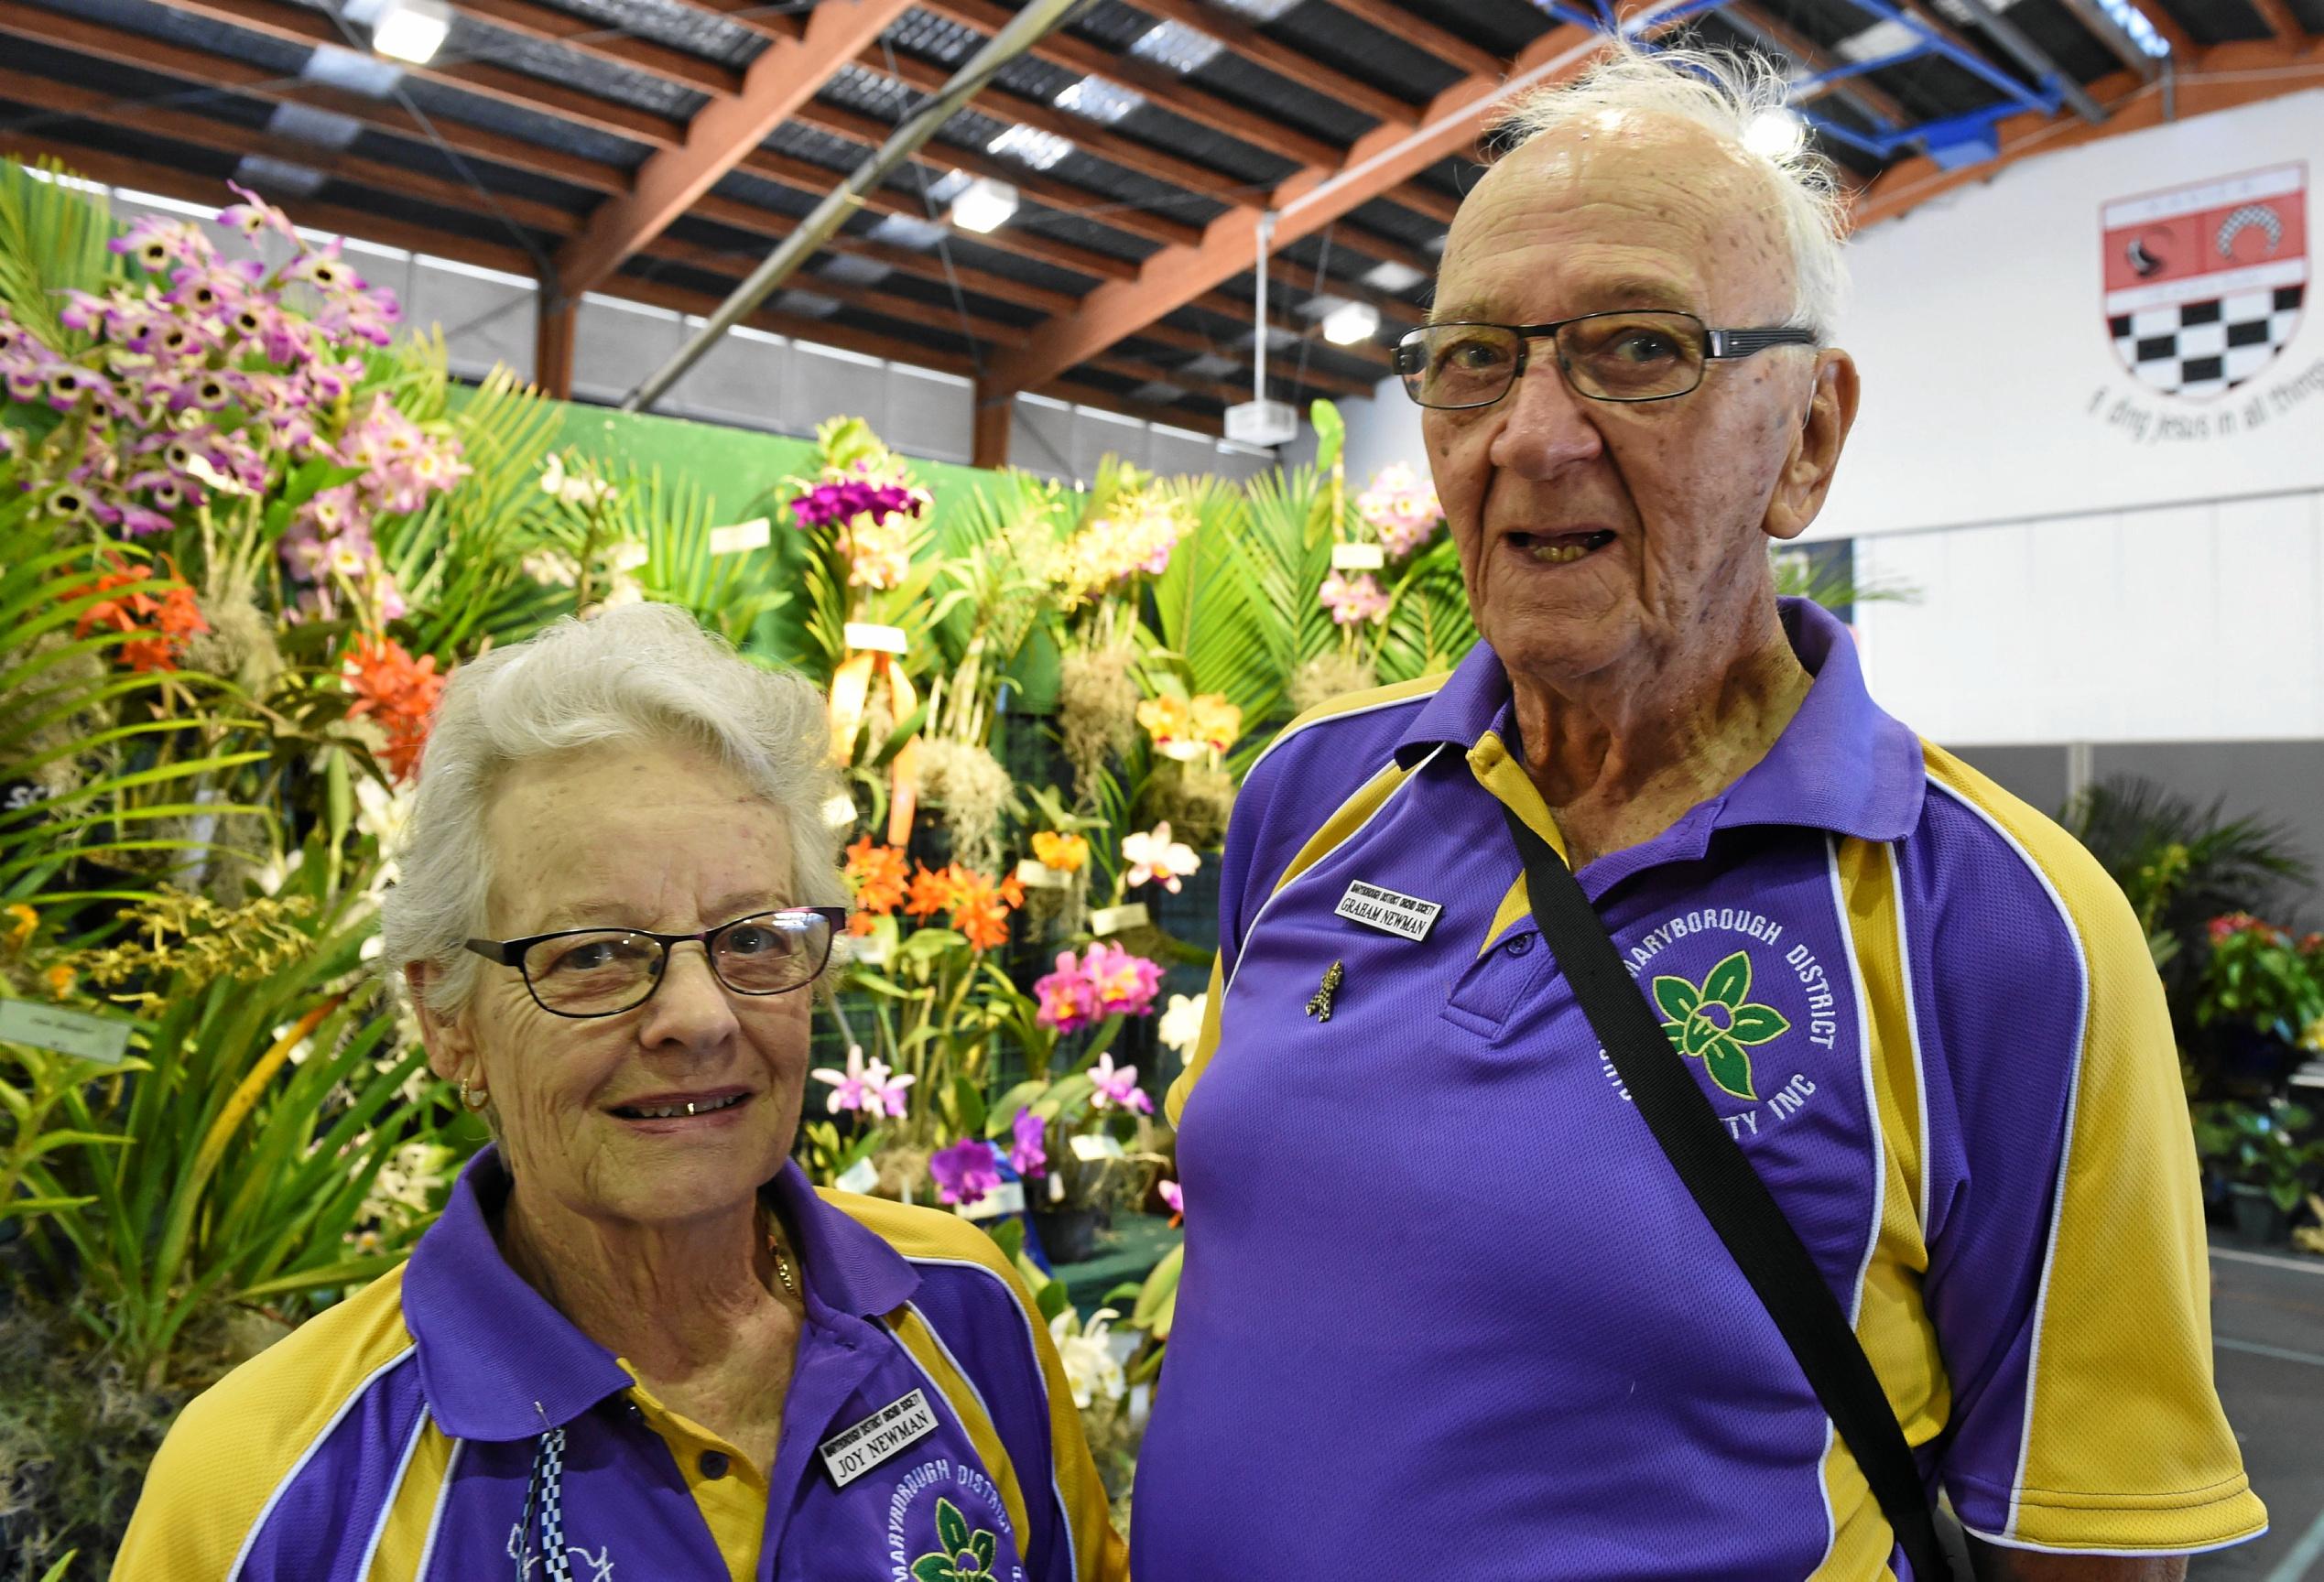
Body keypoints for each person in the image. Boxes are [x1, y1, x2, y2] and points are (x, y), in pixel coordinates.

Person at [1133, 42, 2263, 1582]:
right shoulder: (1308, 798)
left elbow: (2088, 1546)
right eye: (1473, 358)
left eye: (1636, 347)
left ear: (1805, 436)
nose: (1531, 432)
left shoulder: (1996, 926)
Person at [114, 602, 1124, 1582]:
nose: (701, 1015)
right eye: (594, 952)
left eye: (754, 938)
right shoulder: (264, 1487)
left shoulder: (962, 1307)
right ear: (447, 1019)